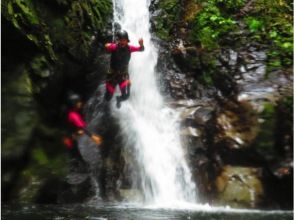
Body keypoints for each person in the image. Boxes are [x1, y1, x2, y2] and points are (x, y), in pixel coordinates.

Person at [104, 30, 145, 108]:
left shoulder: (130, 48)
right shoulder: (114, 47)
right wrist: (107, 45)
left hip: (123, 76)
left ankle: (119, 99)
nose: (123, 42)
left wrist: (141, 44)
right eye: (121, 40)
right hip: (112, 76)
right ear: (118, 40)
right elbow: (106, 46)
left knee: (126, 96)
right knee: (108, 98)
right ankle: (107, 94)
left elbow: (141, 49)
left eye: (124, 40)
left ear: (127, 40)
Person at [63, 93, 102, 163]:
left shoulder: (72, 112)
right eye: (78, 102)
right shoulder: (73, 115)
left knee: (77, 158)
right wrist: (93, 137)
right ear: (74, 104)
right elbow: (82, 128)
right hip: (71, 141)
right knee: (78, 159)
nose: (80, 103)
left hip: (72, 137)